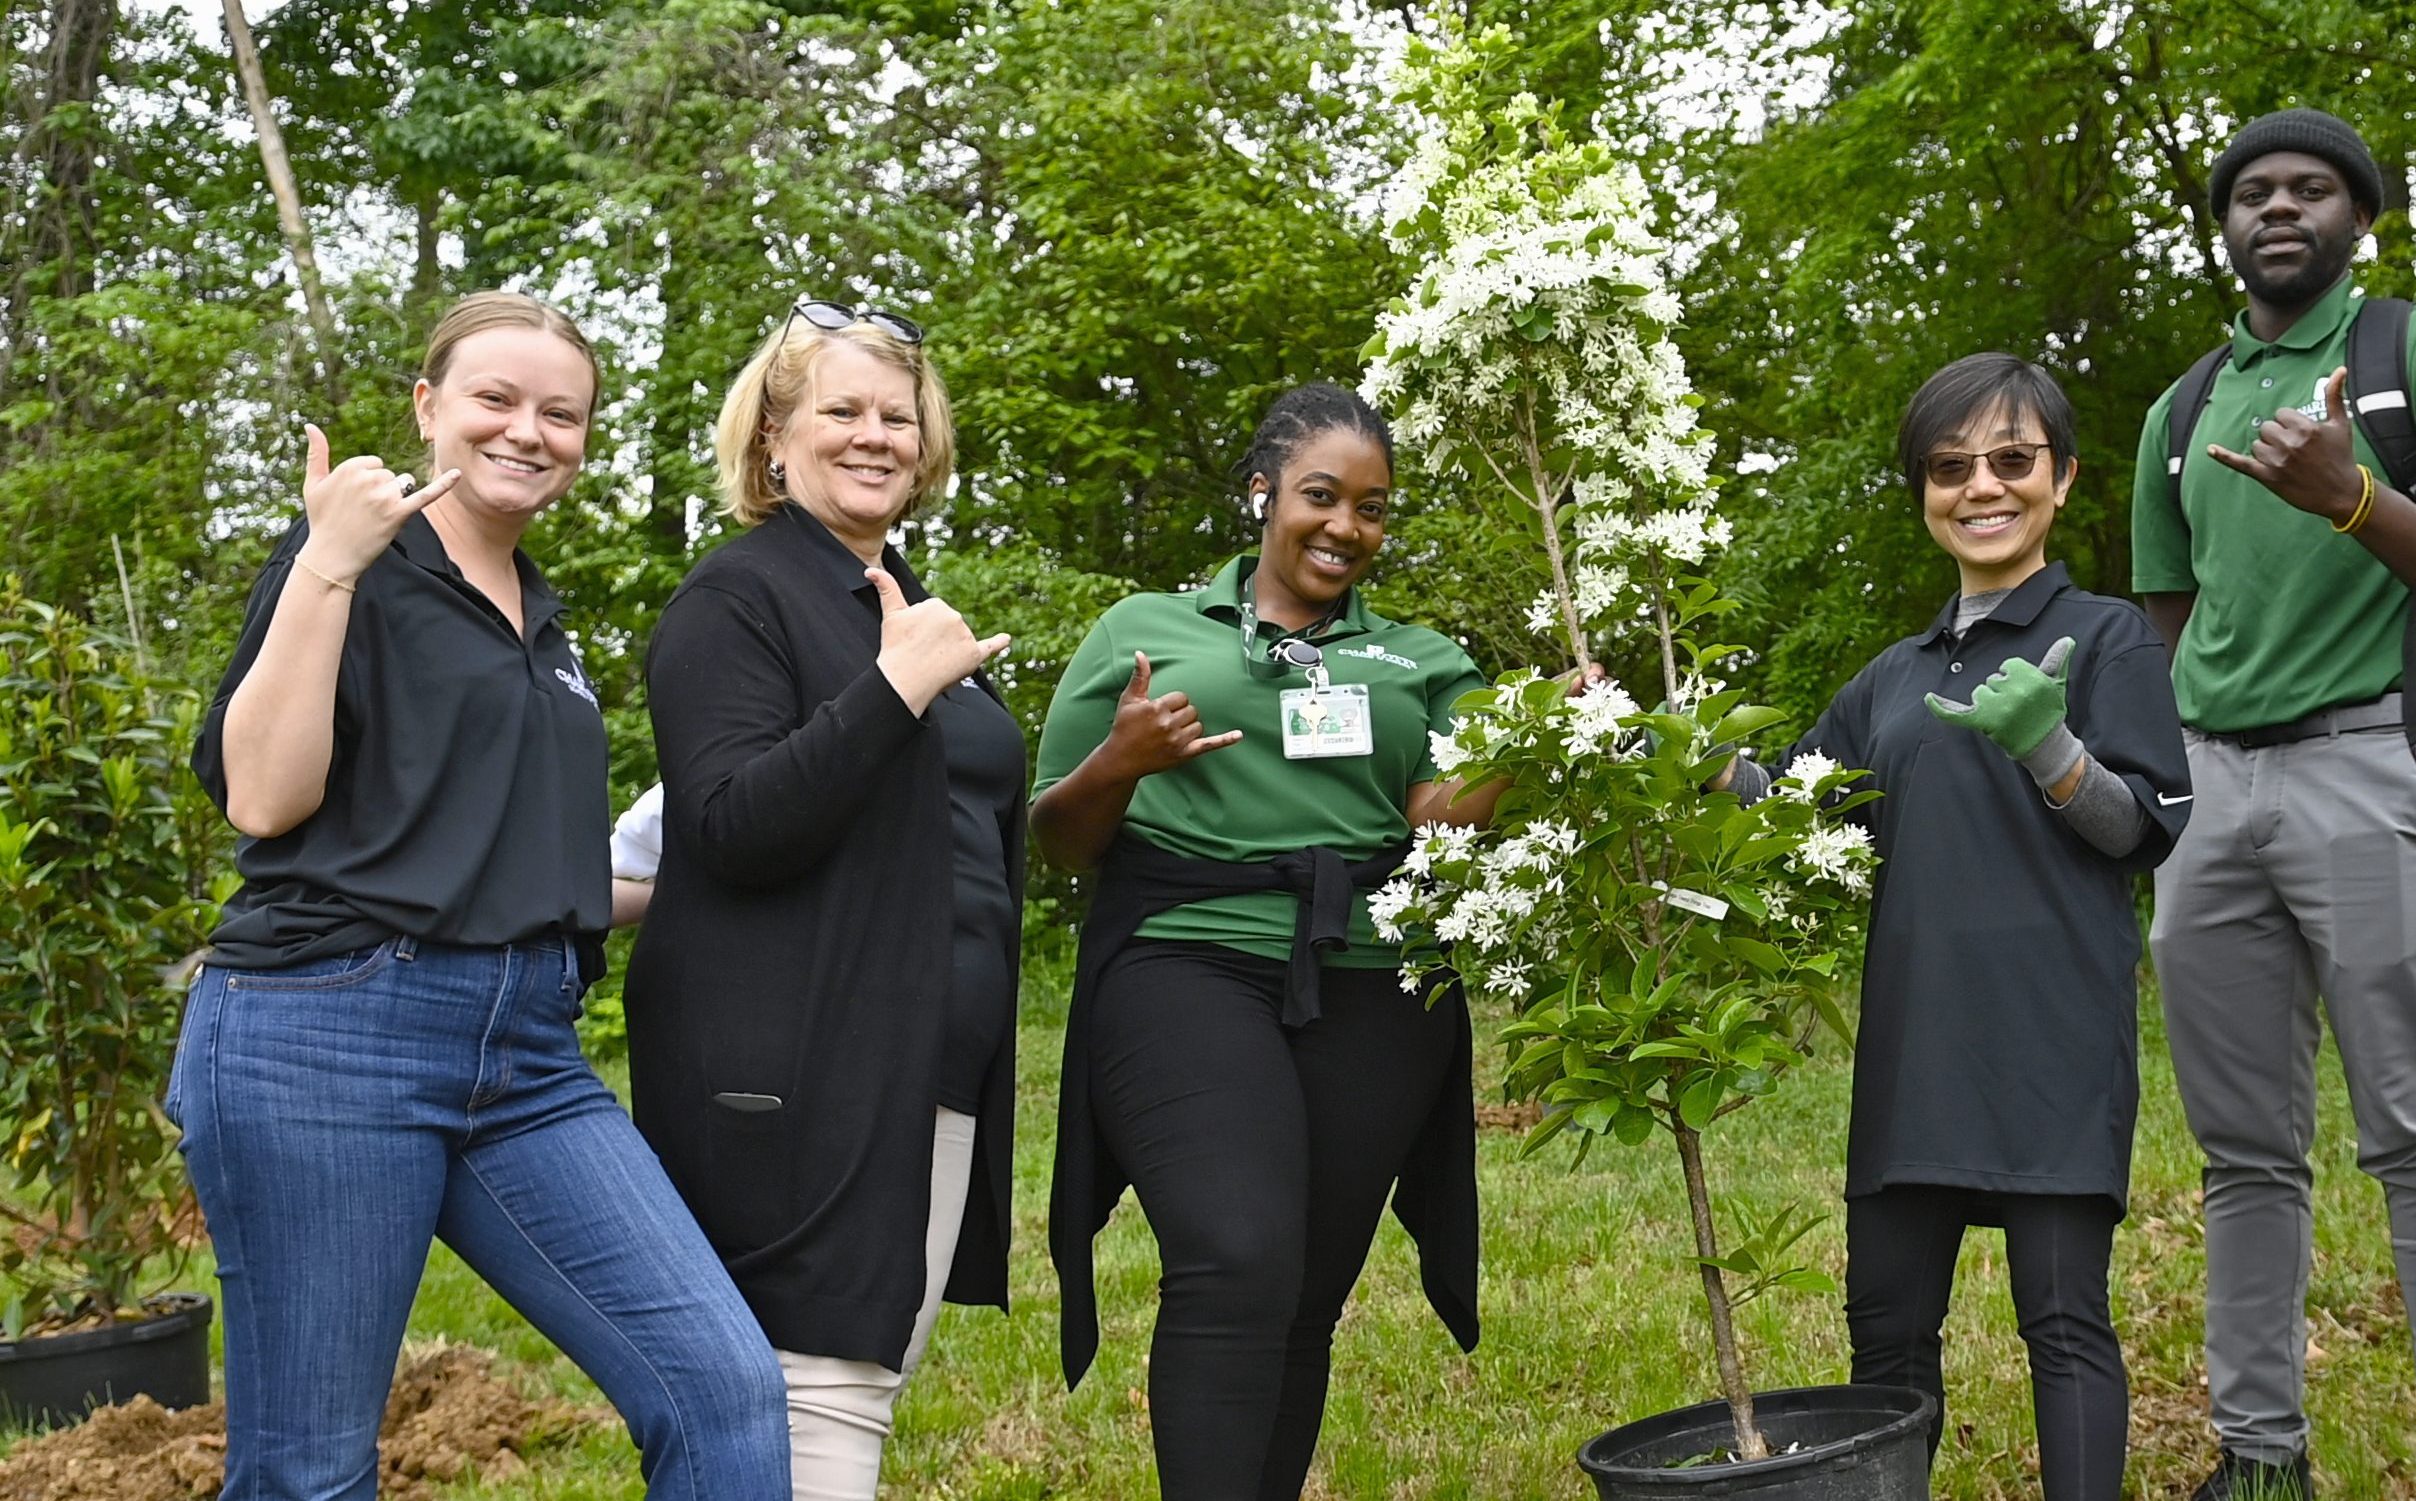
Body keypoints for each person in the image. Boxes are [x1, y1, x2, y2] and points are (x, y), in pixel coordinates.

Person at [174, 290, 788, 1499]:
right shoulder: (352, 568)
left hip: (524, 1055)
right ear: (428, 407)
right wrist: (326, 565)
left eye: (561, 413)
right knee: (312, 1469)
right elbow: (261, 794)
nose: (528, 431)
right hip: (323, 1035)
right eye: (495, 399)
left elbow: (536, 874)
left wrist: (745, 859)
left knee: (723, 1388)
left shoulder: (544, 621)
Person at [2129, 106, 2416, 1501]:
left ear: (2361, 217)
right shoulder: (2181, 410)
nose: (2279, 207)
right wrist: (2207, 754)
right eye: (2252, 191)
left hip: (2386, 765)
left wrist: (2356, 499)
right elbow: (2172, 613)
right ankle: (2258, 1453)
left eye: (2312, 188)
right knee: (2242, 1149)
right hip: (2216, 791)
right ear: (2224, 226)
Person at [1720, 353, 2190, 1499]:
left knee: (2063, 1320)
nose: (1981, 486)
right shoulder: (1889, 679)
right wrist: (1648, 747)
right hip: (1914, 1050)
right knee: (1884, 1334)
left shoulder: (2107, 636)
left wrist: (2050, 747)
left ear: (2062, 478)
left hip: (2053, 1042)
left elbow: (2141, 830)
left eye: (2011, 459)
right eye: (1948, 466)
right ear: (1923, 490)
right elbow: (1780, 809)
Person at [1032, 383, 1491, 1500]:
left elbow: (1437, 811)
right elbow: (1056, 837)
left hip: (1377, 980)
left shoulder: (1421, 657)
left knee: (1306, 1287)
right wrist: (1120, 759)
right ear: (1262, 493)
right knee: (1235, 1252)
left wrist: (1535, 748)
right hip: (1184, 957)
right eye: (1321, 497)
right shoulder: (1144, 631)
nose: (1345, 527)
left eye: (1372, 509)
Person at [621, 300, 1023, 1500]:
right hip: (795, 1070)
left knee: (867, 1376)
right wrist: (896, 688)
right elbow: (732, 825)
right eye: (840, 411)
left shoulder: (891, 598)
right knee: (814, 1392)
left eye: (896, 416)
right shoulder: (734, 602)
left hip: (929, 1070)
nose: (874, 435)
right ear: (772, 442)